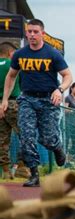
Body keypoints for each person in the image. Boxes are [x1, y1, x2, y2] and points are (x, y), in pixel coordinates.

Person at [1, 19, 72, 187]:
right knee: (26, 135)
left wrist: (59, 90)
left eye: (36, 32)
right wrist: (4, 99)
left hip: (48, 100)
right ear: (26, 33)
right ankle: (33, 174)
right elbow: (11, 76)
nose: (32, 35)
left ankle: (57, 147)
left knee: (48, 139)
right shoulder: (20, 54)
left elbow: (68, 76)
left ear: (42, 34)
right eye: (30, 31)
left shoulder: (52, 54)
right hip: (27, 99)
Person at [0, 41, 29, 179]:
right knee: (25, 134)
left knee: (2, 139)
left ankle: (5, 171)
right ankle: (22, 167)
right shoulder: (14, 66)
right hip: (13, 103)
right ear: (12, 53)